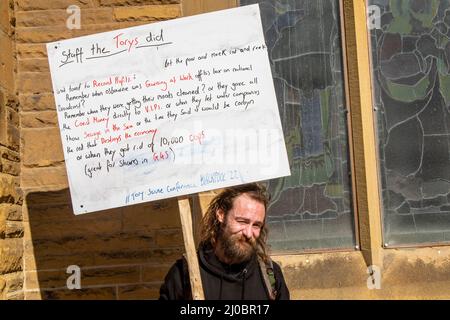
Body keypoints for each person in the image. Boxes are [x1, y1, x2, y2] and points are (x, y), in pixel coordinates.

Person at [159, 183, 290, 300]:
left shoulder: (270, 275)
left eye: (256, 225)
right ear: (221, 215)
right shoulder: (185, 274)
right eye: (242, 221)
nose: (249, 233)